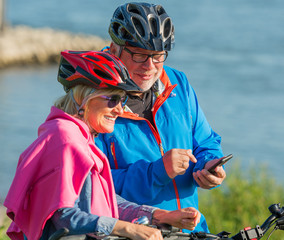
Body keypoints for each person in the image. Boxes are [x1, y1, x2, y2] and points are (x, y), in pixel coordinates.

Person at [4, 50, 200, 240]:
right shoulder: (64, 137)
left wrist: (158, 215)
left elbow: (104, 201)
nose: (119, 109)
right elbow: (63, 215)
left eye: (122, 100)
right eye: (112, 99)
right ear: (83, 98)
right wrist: (127, 229)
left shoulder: (82, 138)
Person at [95, 2, 226, 233]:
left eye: (158, 56)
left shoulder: (178, 83)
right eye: (139, 55)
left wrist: (209, 165)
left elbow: (205, 142)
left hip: (191, 232)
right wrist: (157, 171)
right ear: (115, 49)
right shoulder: (93, 99)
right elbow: (93, 186)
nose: (149, 66)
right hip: (134, 233)